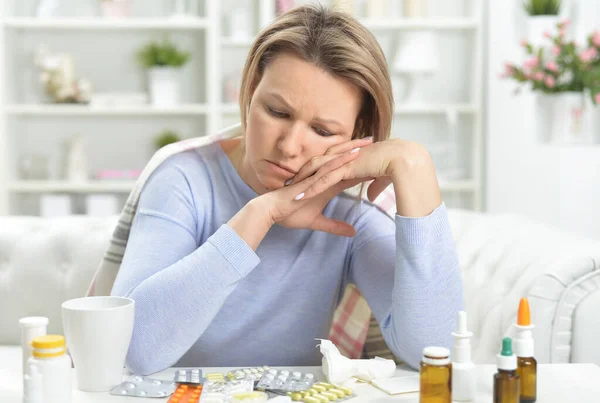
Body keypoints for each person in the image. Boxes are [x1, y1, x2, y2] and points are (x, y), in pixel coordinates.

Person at [111, 4, 463, 375]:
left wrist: (415, 167)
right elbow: (134, 348)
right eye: (277, 112)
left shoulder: (350, 211)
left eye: (323, 131)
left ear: (357, 138)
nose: (289, 146)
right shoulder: (183, 179)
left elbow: (435, 350)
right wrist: (260, 214)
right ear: (250, 90)